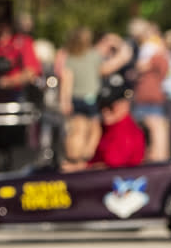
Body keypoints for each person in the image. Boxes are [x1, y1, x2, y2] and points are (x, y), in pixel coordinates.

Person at [55, 28, 132, 164]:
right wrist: (117, 41)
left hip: (76, 98)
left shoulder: (70, 57)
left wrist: (64, 101)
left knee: (77, 129)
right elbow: (120, 59)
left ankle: (72, 160)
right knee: (94, 130)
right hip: (90, 98)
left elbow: (67, 79)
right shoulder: (93, 55)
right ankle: (83, 159)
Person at [63, 73, 145, 170]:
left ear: (125, 105)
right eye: (101, 105)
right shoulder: (102, 128)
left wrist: (80, 167)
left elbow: (111, 168)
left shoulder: (127, 133)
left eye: (110, 107)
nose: (104, 111)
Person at [130, 21, 171, 162]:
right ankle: (160, 155)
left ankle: (158, 156)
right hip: (155, 91)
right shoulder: (158, 48)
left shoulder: (150, 48)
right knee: (158, 125)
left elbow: (142, 66)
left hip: (148, 90)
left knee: (155, 125)